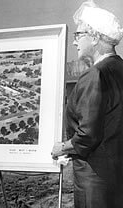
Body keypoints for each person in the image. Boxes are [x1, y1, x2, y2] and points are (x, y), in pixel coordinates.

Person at [51, 1, 123, 208]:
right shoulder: (119, 68)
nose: (75, 42)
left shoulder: (94, 75)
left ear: (95, 37)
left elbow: (87, 136)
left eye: (78, 35)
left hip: (95, 181)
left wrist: (60, 148)